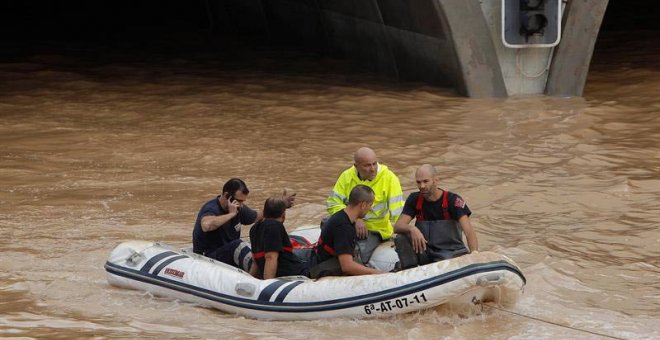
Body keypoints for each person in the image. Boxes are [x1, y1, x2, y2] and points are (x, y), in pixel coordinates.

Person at [192, 178, 295, 272]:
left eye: (243, 201)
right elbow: (206, 225)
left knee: (255, 245)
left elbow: (257, 216)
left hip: (229, 253)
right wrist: (231, 214)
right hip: (208, 256)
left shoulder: (238, 208)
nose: (241, 205)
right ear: (227, 196)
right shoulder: (211, 208)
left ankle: (277, 267)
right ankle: (261, 272)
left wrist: (280, 205)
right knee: (238, 244)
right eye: (239, 200)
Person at [326, 147, 404, 264]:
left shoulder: (390, 178)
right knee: (327, 226)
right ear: (356, 166)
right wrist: (354, 219)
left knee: (359, 255)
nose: (372, 169)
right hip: (349, 223)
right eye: (367, 165)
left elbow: (398, 214)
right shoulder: (346, 176)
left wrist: (400, 237)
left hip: (375, 230)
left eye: (374, 164)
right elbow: (332, 204)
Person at [393, 164, 479, 269]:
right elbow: (397, 226)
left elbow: (469, 231)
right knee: (401, 238)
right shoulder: (414, 199)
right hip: (425, 252)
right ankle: (409, 270)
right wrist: (412, 229)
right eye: (418, 182)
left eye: (425, 181)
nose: (422, 186)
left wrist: (474, 254)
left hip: (450, 253)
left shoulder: (453, 200)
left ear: (436, 180)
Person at [313, 185, 383, 279]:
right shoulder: (343, 228)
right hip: (325, 266)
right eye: (370, 205)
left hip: (325, 259)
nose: (370, 209)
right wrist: (379, 274)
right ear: (362, 205)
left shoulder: (342, 215)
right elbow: (347, 267)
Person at [249, 197, 310, 279]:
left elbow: (255, 261)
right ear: (283, 215)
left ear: (264, 212)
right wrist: (268, 285)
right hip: (294, 273)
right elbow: (271, 257)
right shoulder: (274, 226)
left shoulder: (254, 229)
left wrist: (250, 278)